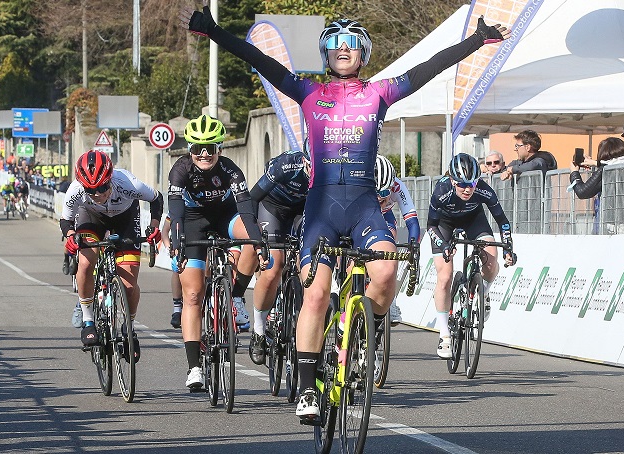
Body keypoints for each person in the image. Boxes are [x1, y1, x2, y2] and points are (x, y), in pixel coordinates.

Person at [183, 7, 511, 420]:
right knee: (316, 294)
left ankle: (361, 328)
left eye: (351, 46)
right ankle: (305, 390)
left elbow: (429, 67)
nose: (343, 51)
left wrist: (476, 40)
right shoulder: (307, 92)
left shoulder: (380, 93)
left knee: (386, 273)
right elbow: (260, 61)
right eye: (335, 46)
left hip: (363, 207)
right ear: (325, 54)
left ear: (363, 55)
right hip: (321, 210)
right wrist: (214, 31)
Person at [168, 115, 265, 390]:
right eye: (198, 148)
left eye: (210, 148)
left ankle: (235, 298)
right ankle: (194, 367)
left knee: (251, 237)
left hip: (226, 216)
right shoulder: (180, 170)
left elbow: (246, 209)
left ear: (219, 149)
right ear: (190, 149)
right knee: (194, 294)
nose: (204, 154)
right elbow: (175, 210)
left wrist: (258, 243)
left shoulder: (231, 170)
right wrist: (177, 240)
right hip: (193, 220)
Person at [62, 150, 163, 364]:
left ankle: (129, 327)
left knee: (128, 285)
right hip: (91, 218)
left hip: (125, 218)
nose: (98, 194)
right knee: (86, 263)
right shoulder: (76, 190)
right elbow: (66, 220)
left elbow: (156, 199)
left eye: (102, 187)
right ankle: (88, 319)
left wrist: (154, 227)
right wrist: (71, 236)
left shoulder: (127, 182)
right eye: (91, 190)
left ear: (110, 179)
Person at [428, 153, 516, 358]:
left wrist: (508, 247)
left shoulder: (484, 190)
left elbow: (502, 221)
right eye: (461, 184)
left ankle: (483, 292)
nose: (468, 189)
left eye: (472, 184)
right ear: (452, 180)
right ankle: (445, 335)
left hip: (474, 220)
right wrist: (443, 245)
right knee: (445, 277)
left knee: (492, 262)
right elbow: (431, 226)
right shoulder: (441, 191)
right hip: (444, 225)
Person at [247, 149, 310, 365]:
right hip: (272, 207)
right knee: (274, 267)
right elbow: (253, 197)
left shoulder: (329, 169)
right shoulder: (286, 165)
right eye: (310, 167)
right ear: (304, 161)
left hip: (304, 210)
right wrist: (255, 234)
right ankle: (258, 330)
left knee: (309, 264)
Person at [375, 154, 419, 326]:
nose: (380, 197)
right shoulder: (361, 184)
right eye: (376, 192)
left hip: (385, 216)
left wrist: (413, 247)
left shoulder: (398, 186)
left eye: (385, 192)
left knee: (390, 240)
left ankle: (391, 301)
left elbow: (412, 221)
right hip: (361, 215)